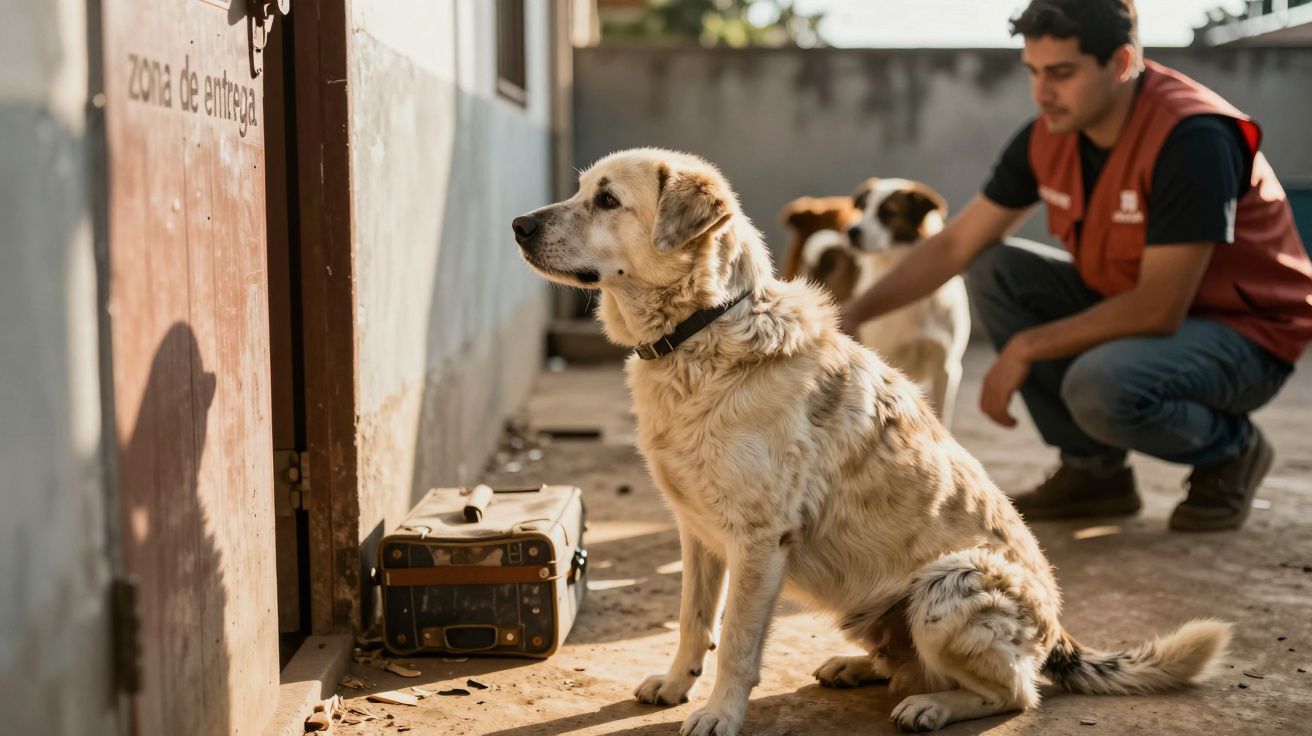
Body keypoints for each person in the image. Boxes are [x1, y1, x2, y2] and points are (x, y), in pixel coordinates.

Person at [839, 0, 1312, 532]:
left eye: (1061, 73)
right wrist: (850, 315)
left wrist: (1027, 347)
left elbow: (1159, 306)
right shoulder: (1049, 133)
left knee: (1100, 386)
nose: (1043, 93)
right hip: (1139, 309)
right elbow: (956, 246)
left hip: (1246, 336)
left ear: (1121, 62)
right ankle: (1096, 474)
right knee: (996, 269)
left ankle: (1232, 452)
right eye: (1034, 73)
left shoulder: (1192, 137)